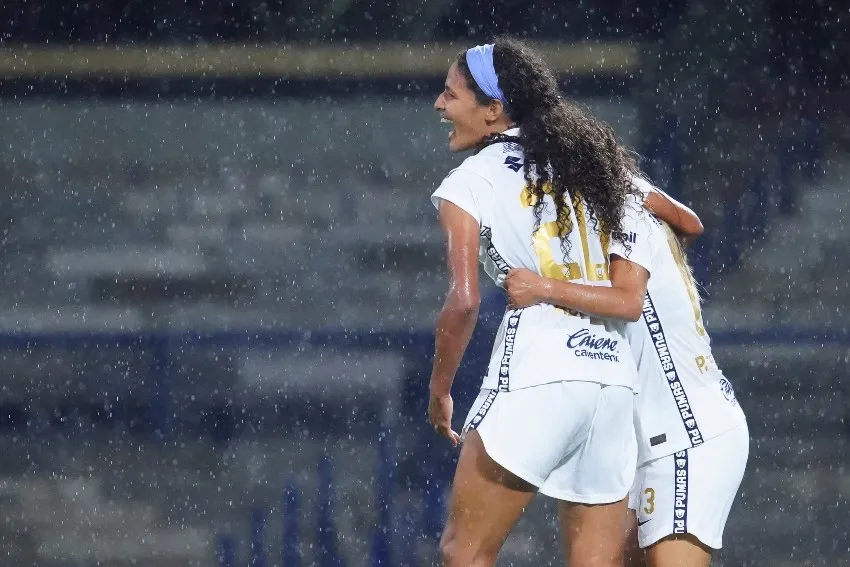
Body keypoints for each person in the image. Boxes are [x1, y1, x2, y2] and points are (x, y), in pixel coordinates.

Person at [427, 36, 647, 567]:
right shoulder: (595, 170)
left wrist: (439, 392)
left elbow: (462, 302)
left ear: (494, 110)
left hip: (538, 370)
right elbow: (661, 244)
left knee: (465, 552)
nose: (439, 104)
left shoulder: (470, 181)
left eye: (451, 95)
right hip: (612, 383)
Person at [505, 179, 749, 567]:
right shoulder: (619, 199)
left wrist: (542, 288)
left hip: (686, 434)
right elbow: (692, 224)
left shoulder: (621, 212)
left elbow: (629, 302)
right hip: (648, 443)